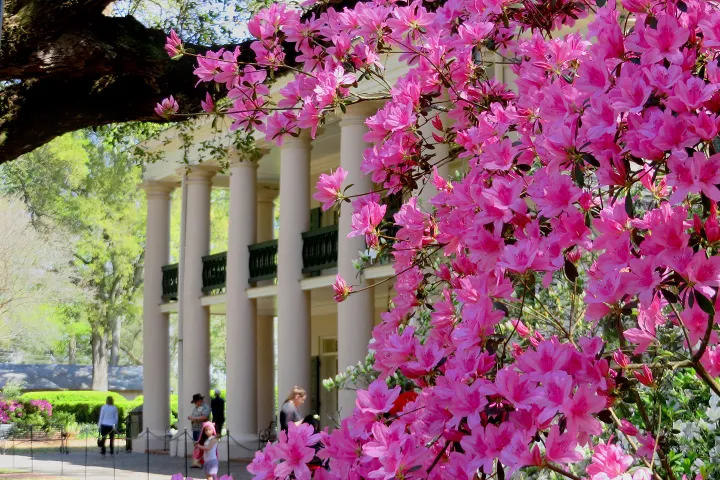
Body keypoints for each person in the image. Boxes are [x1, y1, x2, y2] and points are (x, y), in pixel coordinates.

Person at [188, 393, 210, 468]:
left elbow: (204, 417)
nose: (195, 403)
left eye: (195, 402)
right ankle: (196, 462)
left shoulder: (206, 407)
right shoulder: (197, 407)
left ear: (200, 400)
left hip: (202, 429)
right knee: (196, 445)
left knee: (202, 445)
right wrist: (192, 417)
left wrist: (194, 418)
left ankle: (203, 462)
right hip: (195, 428)